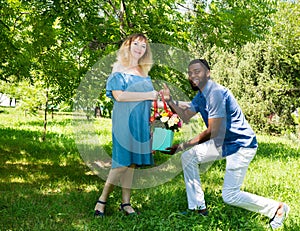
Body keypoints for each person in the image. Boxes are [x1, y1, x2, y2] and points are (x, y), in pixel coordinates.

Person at [161, 59, 290, 229]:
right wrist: (169, 101)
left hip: (241, 145)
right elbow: (185, 115)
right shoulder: (201, 95)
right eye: (190, 73)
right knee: (189, 157)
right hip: (224, 143)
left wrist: (180, 146)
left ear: (208, 73)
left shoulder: (216, 94)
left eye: (197, 71)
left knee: (230, 195)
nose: (192, 76)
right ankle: (198, 208)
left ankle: (277, 208)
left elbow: (211, 131)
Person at [94, 33, 158, 217]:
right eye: (136, 44)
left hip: (141, 121)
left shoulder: (144, 72)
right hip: (123, 120)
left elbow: (151, 100)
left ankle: (126, 203)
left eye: (143, 46)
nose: (139, 48)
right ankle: (102, 200)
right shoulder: (119, 68)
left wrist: (169, 105)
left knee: (132, 163)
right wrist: (148, 95)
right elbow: (119, 96)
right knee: (121, 162)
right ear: (127, 46)